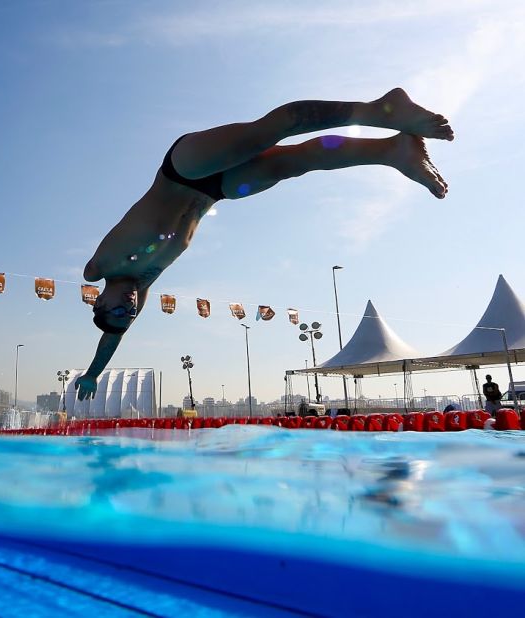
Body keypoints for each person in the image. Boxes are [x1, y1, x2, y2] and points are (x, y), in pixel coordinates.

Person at [76, 88, 452, 400]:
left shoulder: (101, 267)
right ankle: (392, 151)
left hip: (184, 169)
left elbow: (107, 326)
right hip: (215, 192)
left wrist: (96, 295)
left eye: (117, 309)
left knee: (278, 127)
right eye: (127, 315)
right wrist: (93, 375)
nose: (126, 309)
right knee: (298, 161)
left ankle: (385, 109)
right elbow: (112, 337)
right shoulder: (144, 282)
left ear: (98, 298)